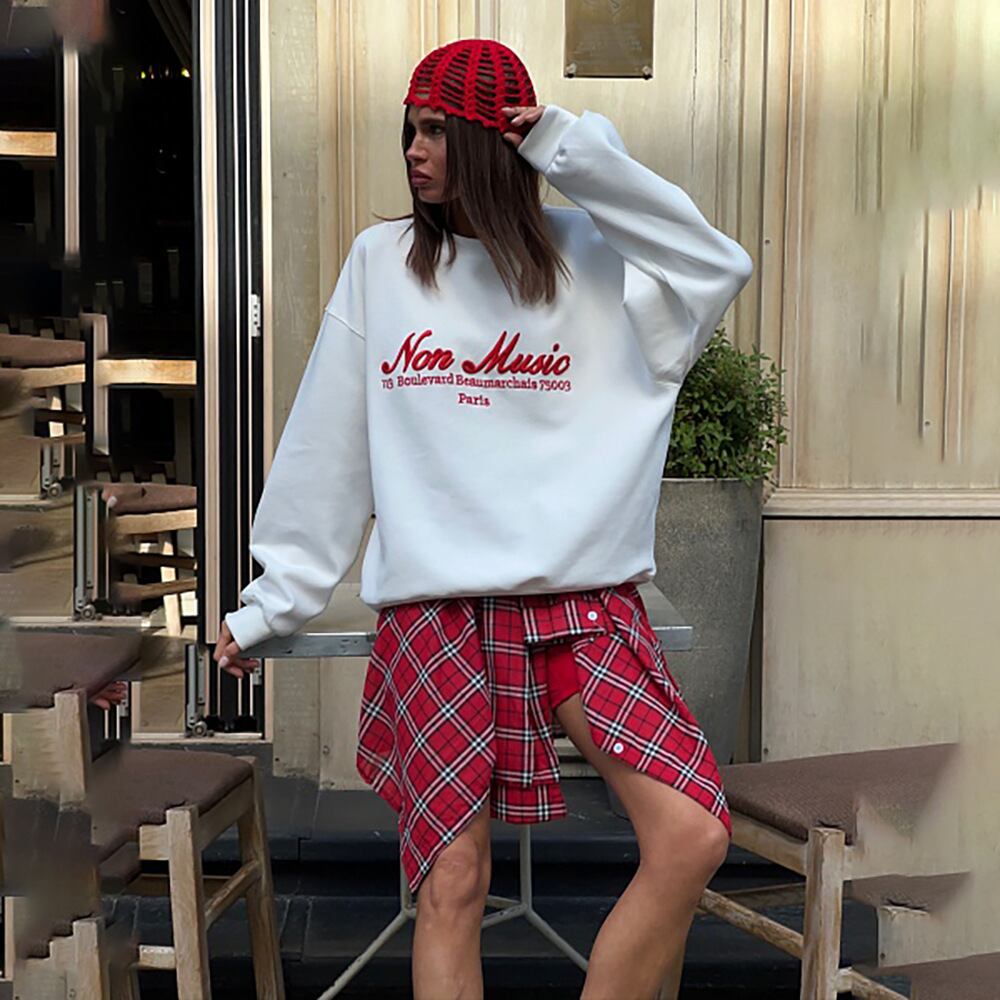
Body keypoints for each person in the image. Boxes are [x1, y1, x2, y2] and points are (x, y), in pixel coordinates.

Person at [214, 37, 753, 1000]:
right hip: (440, 610)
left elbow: (718, 260)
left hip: (583, 603)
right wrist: (272, 601)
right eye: (409, 130)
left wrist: (570, 149)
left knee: (693, 833)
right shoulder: (383, 265)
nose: (414, 151)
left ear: (498, 141)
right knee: (453, 878)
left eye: (435, 130)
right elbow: (328, 445)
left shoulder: (605, 262)